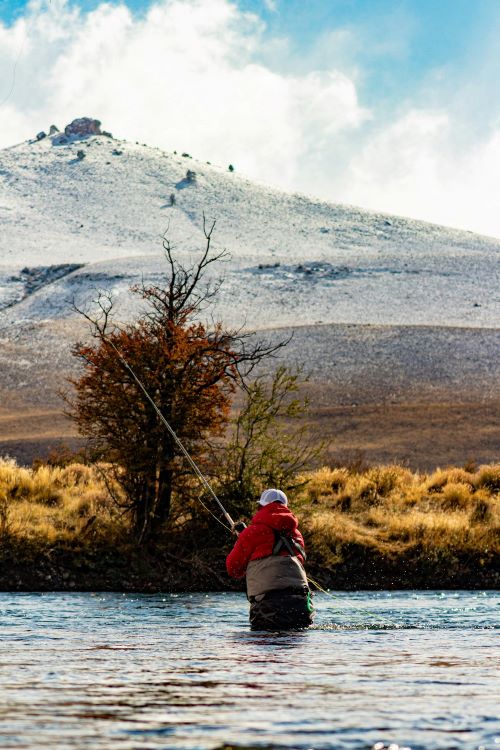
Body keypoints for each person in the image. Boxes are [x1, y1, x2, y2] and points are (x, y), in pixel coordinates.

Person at [226, 488, 314, 630]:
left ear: (261, 507)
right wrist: (246, 535)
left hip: (268, 609)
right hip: (301, 607)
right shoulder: (297, 535)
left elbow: (234, 569)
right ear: (285, 507)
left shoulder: (252, 532)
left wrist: (241, 539)